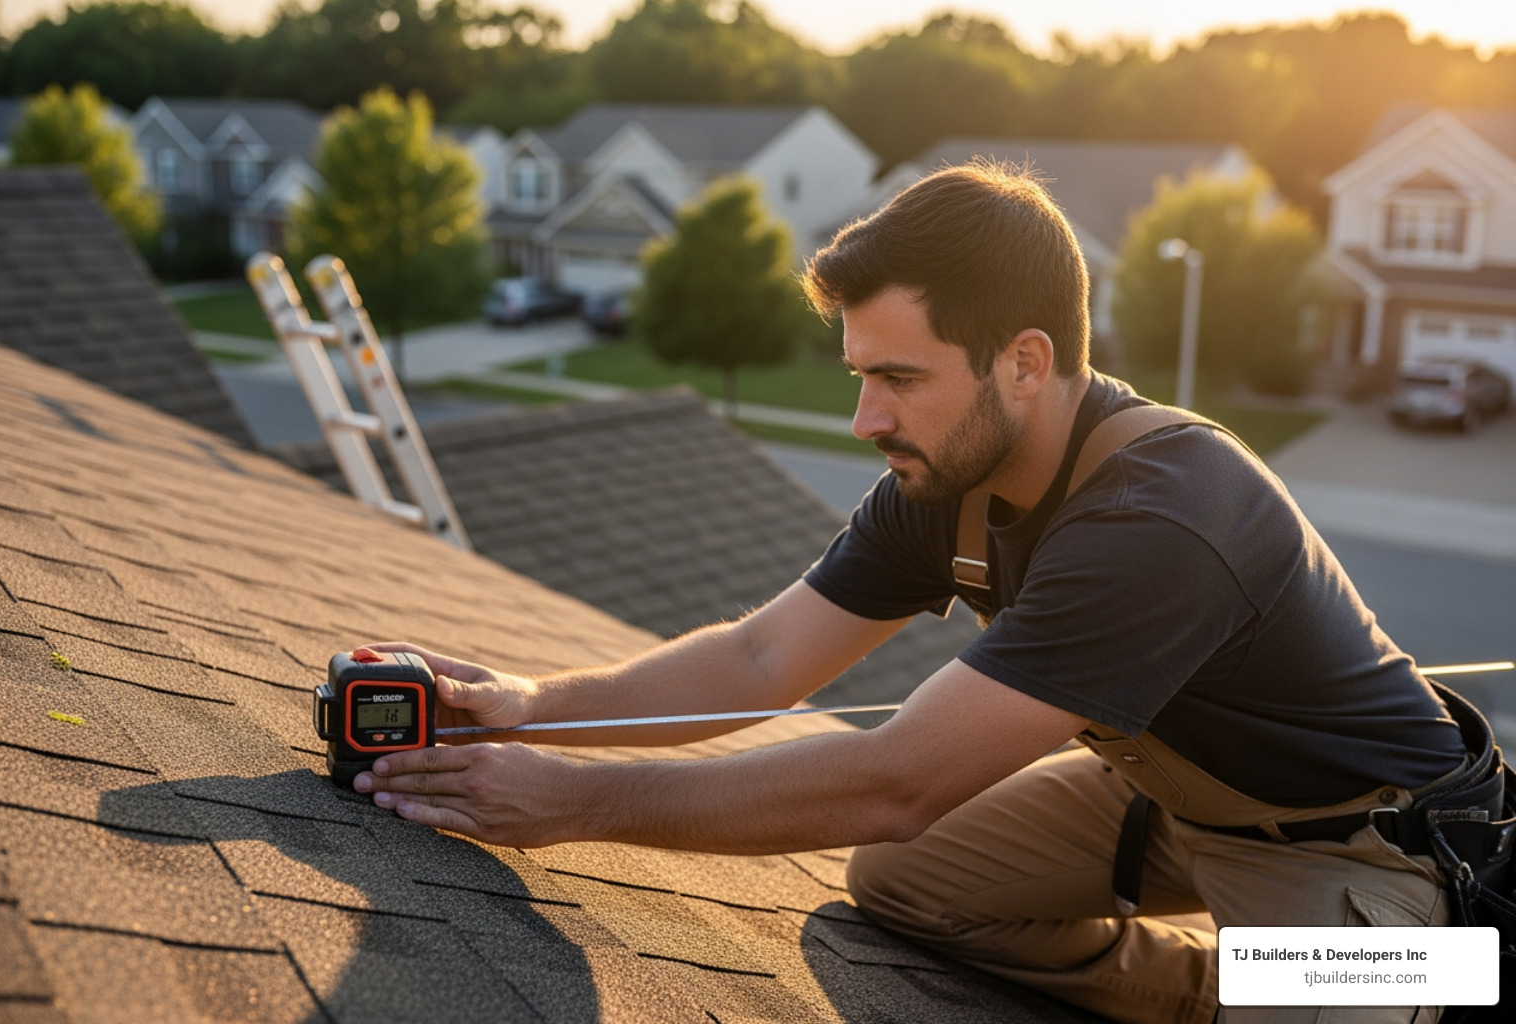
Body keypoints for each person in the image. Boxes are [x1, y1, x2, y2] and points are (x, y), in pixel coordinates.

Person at [353, 162, 1470, 1024]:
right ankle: (1212, 991)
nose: (865, 420)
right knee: (905, 882)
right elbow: (759, 662)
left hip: (1349, 849)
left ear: (1025, 362)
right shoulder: (953, 470)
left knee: (894, 828)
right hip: (1174, 801)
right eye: (859, 376)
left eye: (897, 379)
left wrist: (577, 805)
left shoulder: (1161, 515)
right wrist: (529, 704)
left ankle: (1427, 974)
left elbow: (897, 779)